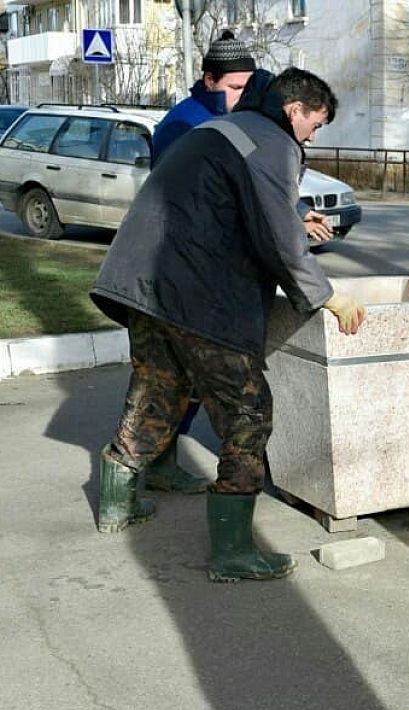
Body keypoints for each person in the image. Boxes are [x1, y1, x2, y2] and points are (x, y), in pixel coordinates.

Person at [90, 68, 366, 582]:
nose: (312, 135)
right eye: (316, 123)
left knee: (157, 386)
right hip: (196, 294)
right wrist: (327, 295)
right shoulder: (274, 142)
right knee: (249, 411)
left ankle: (115, 503)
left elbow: (236, 204)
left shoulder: (222, 128)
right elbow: (280, 237)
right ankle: (233, 551)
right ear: (294, 110)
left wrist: (294, 214)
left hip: (142, 281)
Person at [142, 33, 334, 495]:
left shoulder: (238, 121)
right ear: (208, 81)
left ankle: (162, 462)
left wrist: (294, 211)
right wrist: (318, 285)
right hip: (189, 270)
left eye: (249, 86)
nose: (242, 95)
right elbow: (207, 199)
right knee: (201, 388)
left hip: (199, 272)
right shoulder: (186, 124)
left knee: (179, 380)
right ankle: (177, 470)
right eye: (233, 87)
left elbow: (253, 189)